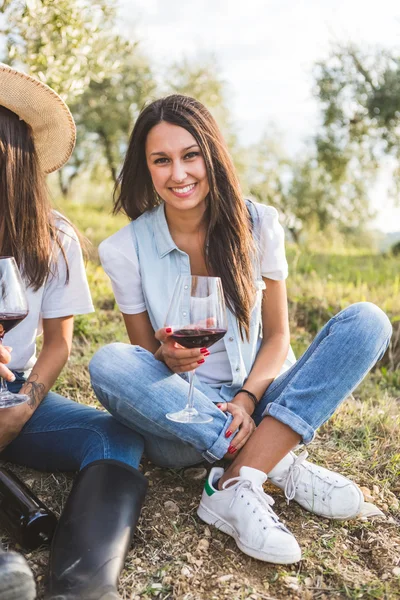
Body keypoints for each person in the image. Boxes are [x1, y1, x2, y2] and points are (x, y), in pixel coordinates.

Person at [89, 94, 392, 565]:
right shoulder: (124, 249)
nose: (179, 173)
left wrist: (249, 398)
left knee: (367, 321)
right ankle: (276, 458)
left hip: (261, 397)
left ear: (211, 155)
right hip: (184, 422)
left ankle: (236, 480)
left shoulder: (260, 224)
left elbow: (277, 338)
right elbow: (145, 358)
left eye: (191, 155)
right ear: (145, 168)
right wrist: (167, 357)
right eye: (162, 160)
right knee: (107, 361)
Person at [0, 63, 148, 600]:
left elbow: (59, 343)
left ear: (13, 149)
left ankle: (84, 586)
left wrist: (22, 406)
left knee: (113, 436)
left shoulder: (54, 236)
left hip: (10, 390)